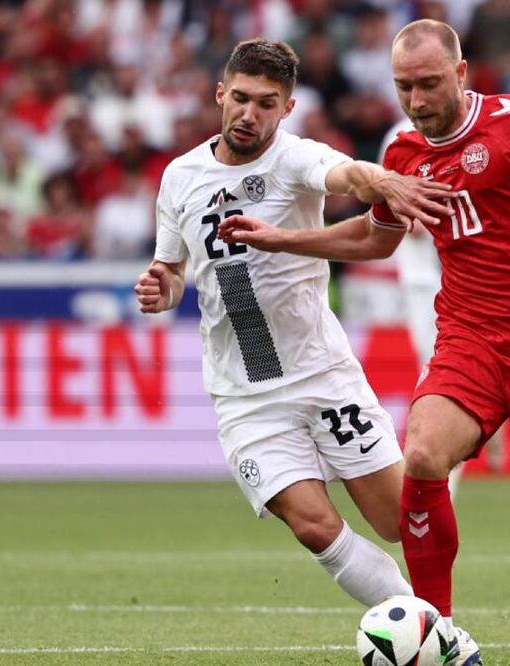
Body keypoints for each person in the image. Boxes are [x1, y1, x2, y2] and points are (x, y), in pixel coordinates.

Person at [216, 19, 510, 663]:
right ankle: (438, 632)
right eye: (403, 87)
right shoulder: (403, 157)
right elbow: (373, 238)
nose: (416, 101)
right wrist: (284, 239)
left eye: (429, 84)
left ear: (462, 73)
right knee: (420, 456)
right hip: (469, 338)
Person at [133, 38, 454, 624]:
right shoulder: (180, 177)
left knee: (397, 520)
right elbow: (173, 269)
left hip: (322, 374)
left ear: (287, 108)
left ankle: (426, 621)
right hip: (245, 396)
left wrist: (382, 181)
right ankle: (432, 631)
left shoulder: (295, 159)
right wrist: (162, 288)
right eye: (242, 99)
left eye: (267, 103)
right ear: (220, 95)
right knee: (313, 526)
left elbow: (345, 174)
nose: (250, 114)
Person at [378, 118, 507, 499]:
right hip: (423, 280)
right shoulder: (398, 138)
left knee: (451, 374)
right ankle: (446, 474)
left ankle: (441, 483)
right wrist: (408, 216)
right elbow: (389, 202)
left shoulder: (484, 131)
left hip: (473, 277)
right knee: (436, 372)